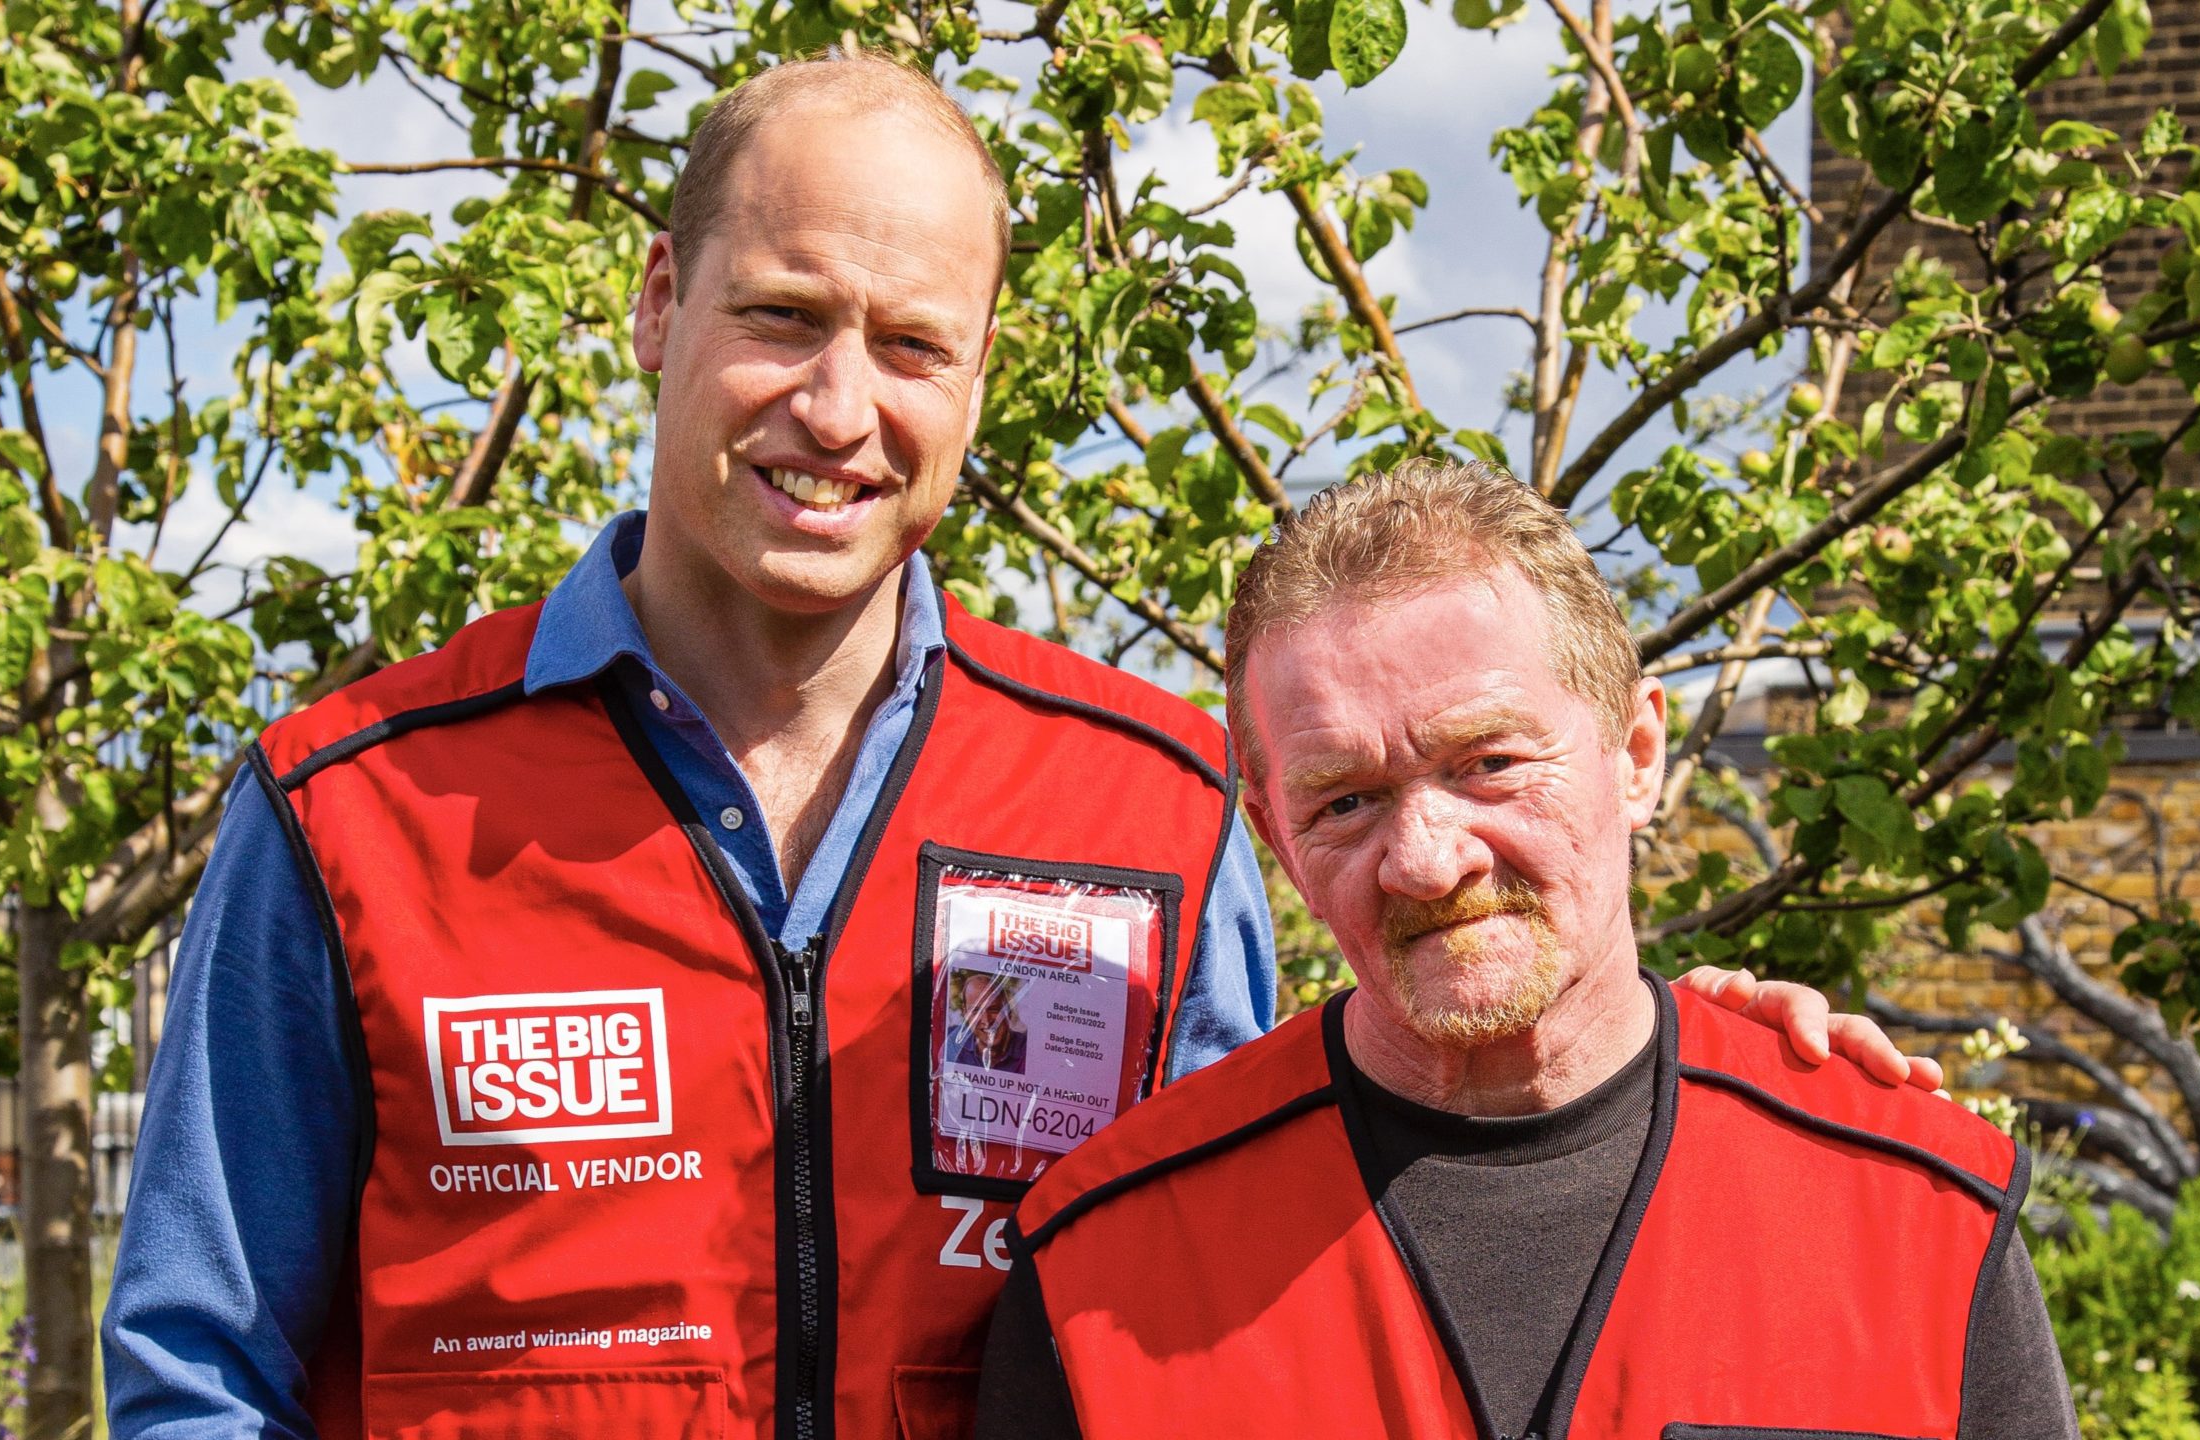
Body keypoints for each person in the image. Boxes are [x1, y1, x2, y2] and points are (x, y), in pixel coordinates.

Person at [103, 53, 1939, 1440]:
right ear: (662, 304)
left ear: (977, 376)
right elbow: (197, 1372)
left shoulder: (1146, 806)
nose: (839, 407)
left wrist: (1676, 1041)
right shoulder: (355, 808)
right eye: (780, 316)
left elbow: (1312, 1193)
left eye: (912, 343)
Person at [975, 460, 2077, 1440]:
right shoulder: (1107, 1266)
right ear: (1275, 839)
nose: (1424, 858)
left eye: (1487, 763)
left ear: (1636, 754)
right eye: (1345, 800)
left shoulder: (1915, 1216)